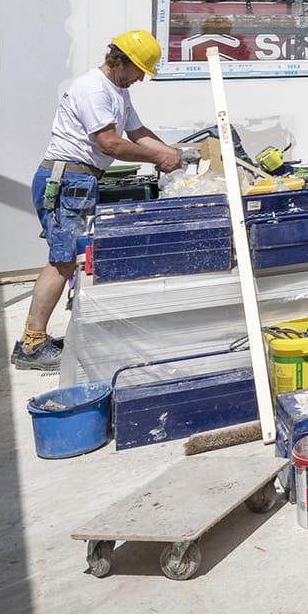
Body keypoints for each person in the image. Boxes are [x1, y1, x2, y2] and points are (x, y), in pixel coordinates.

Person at [14, 30, 183, 370]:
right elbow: (111, 144)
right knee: (61, 261)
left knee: (69, 259)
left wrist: (173, 152)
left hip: (81, 180)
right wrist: (158, 160)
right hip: (66, 181)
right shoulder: (93, 89)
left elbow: (137, 133)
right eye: (139, 71)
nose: (140, 79)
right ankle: (31, 343)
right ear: (119, 61)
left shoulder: (117, 91)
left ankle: (36, 338)